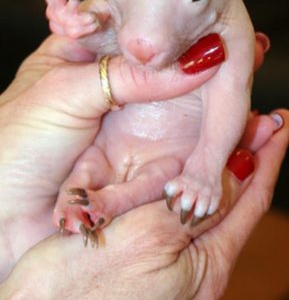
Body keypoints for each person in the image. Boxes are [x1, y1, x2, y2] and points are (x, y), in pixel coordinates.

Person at [0, 30, 287, 299]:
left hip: (160, 154)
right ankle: (87, 202)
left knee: (144, 171)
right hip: (114, 145)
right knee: (94, 168)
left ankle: (90, 202)